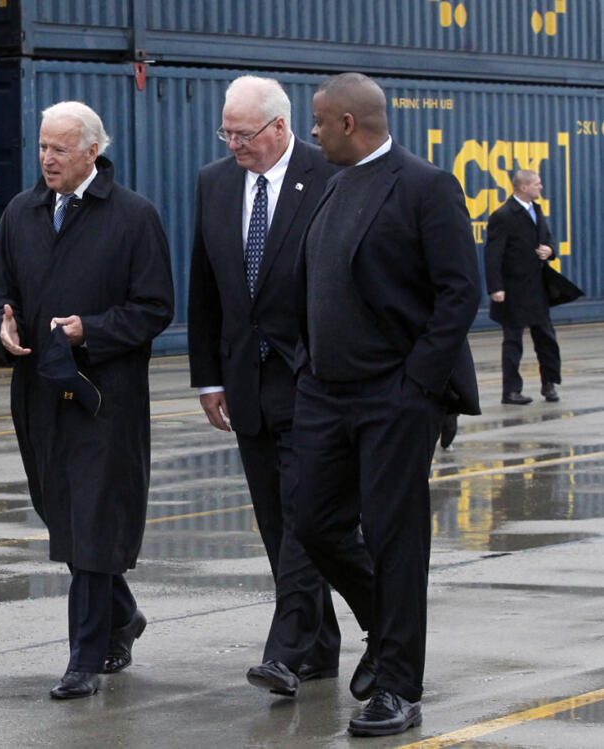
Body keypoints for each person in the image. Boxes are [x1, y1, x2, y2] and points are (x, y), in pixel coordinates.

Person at [292, 73, 480, 737]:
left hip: (394, 397)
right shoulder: (332, 184)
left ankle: (399, 684)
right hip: (324, 392)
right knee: (312, 520)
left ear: (347, 122)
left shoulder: (425, 186)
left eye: (317, 121)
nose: (310, 133)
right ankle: (385, 621)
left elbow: (460, 292)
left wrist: (417, 386)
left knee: (396, 537)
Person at [0, 101, 174, 700]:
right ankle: (122, 614)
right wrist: (2, 324)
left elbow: (154, 308)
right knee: (60, 514)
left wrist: (90, 329)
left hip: (102, 397)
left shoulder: (134, 217)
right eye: (42, 146)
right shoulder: (21, 211)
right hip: (37, 392)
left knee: (91, 520)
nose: (46, 159)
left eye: (59, 148)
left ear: (93, 151)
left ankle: (84, 658)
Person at [187, 75, 341, 698]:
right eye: (226, 132)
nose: (233, 145)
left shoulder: (327, 176)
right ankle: (321, 645)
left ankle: (284, 650)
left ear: (280, 128)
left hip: (312, 380)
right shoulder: (214, 183)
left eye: (244, 134)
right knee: (276, 520)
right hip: (245, 384)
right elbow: (206, 288)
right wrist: (208, 377)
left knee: (305, 515)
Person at [485, 169, 562, 405]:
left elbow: (547, 239)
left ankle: (549, 385)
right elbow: (493, 255)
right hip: (513, 289)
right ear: (523, 188)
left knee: (546, 339)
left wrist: (550, 250)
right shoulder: (504, 215)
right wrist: (495, 287)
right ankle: (510, 391)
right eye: (537, 184)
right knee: (513, 341)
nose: (541, 187)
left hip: (536, 288)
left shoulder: (536, 210)